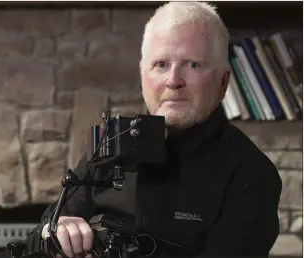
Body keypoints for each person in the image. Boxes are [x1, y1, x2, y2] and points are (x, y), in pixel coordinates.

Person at [22, 2, 282, 258]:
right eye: (161, 65)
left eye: (192, 64)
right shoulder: (110, 143)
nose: (173, 81)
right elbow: (36, 240)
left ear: (223, 82)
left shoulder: (252, 175)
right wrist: (55, 233)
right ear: (143, 75)